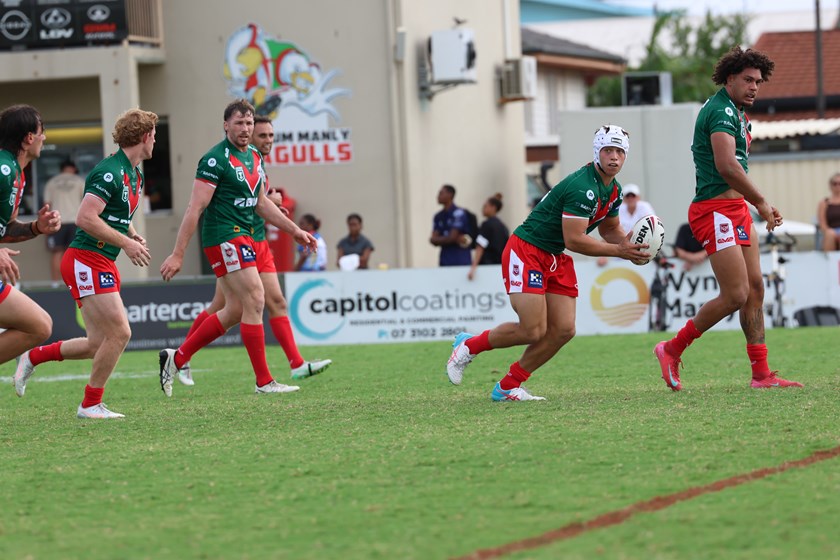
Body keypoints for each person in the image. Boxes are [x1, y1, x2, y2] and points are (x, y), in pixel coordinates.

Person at [445, 125, 649, 401]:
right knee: (532, 330)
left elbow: (609, 229)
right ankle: (469, 346)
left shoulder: (614, 190)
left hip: (555, 255)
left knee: (564, 330)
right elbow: (575, 240)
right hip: (528, 249)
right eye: (608, 150)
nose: (614, 157)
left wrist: (630, 245)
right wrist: (619, 252)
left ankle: (507, 386)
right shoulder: (583, 187)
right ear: (597, 152)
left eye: (620, 152)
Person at [653, 46, 802, 391]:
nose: (754, 87)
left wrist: (752, 204)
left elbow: (735, 171)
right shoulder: (720, 111)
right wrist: (761, 202)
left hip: (734, 209)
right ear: (730, 78)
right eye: (748, 80)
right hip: (713, 210)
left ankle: (762, 375)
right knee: (735, 294)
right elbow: (726, 166)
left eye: (759, 82)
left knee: (755, 290)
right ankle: (671, 349)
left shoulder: (737, 113)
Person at [159, 99, 318, 397]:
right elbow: (195, 208)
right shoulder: (214, 160)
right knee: (257, 298)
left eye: (248, 123)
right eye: (239, 123)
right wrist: (178, 253)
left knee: (233, 310)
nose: (245, 129)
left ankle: (177, 357)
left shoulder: (255, 157)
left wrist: (295, 230)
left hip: (244, 236)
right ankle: (264, 381)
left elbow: (260, 203)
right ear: (226, 125)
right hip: (223, 236)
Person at [14, 109, 157, 419]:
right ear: (145, 137)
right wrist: (127, 243)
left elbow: (118, 216)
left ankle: (33, 357)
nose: (155, 140)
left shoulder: (136, 173)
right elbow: (85, 218)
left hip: (101, 260)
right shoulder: (110, 171)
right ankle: (90, 404)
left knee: (97, 343)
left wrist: (133, 234)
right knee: (120, 333)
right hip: (85, 260)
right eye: (154, 135)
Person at [0, 104, 60, 378]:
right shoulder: (2, 167)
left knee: (39, 325)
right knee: (39, 325)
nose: (44, 137)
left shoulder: (17, 174)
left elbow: (6, 228)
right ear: (28, 138)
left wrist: (37, 227)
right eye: (41, 131)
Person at [43, 159, 84, 285]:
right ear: (72, 168)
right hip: (75, 222)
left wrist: (45, 225)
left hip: (56, 221)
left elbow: (46, 205)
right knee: (74, 254)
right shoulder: (80, 181)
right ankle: (73, 283)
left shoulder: (51, 183)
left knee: (57, 252)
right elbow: (86, 202)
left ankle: (55, 283)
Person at [467, 193, 509, 280]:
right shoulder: (503, 227)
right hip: (499, 267)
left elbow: (480, 246)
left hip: (486, 267)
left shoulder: (487, 225)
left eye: (485, 206)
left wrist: (473, 268)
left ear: (493, 207)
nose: (482, 209)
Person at [430, 184, 472, 266]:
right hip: (445, 260)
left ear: (450, 195)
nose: (438, 196)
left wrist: (443, 239)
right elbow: (433, 240)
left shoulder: (459, 213)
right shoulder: (438, 216)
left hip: (460, 260)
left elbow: (452, 237)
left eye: (441, 193)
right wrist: (454, 239)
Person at [816, 172, 840, 251]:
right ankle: (831, 262)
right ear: (830, 185)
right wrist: (833, 234)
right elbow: (822, 224)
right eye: (835, 183)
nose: (837, 186)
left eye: (839, 183)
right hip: (831, 232)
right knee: (829, 234)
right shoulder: (824, 203)